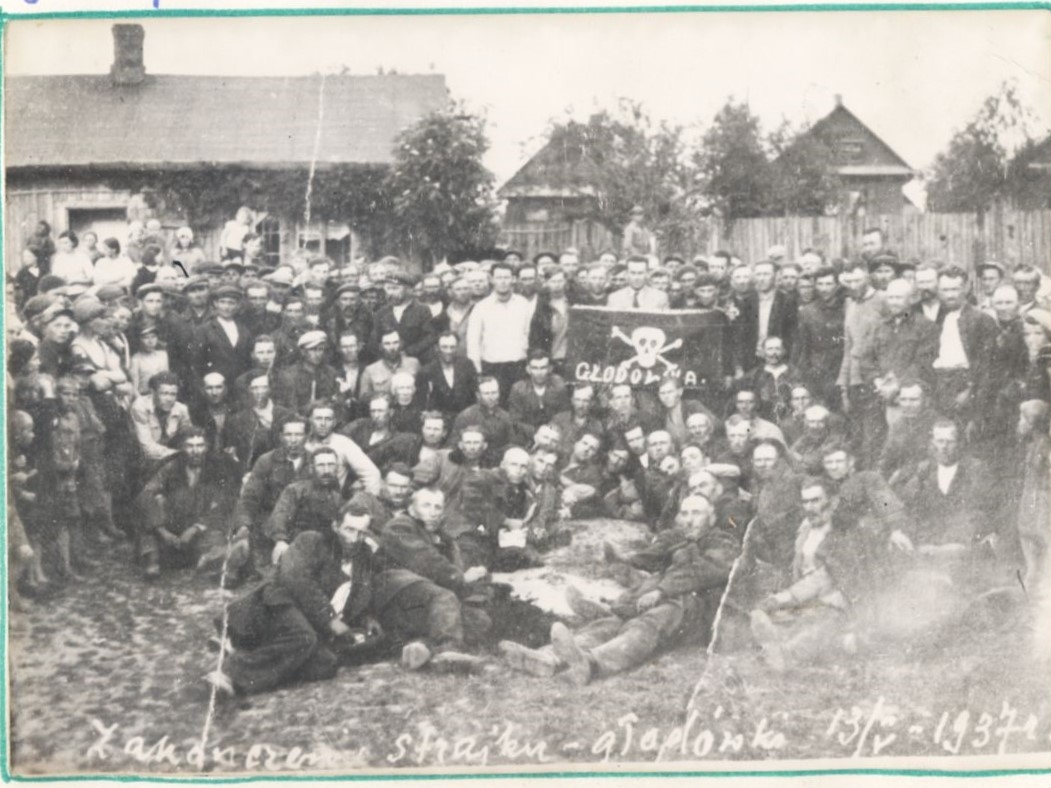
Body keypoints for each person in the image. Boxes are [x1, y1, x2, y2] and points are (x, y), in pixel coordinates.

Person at [500, 495, 737, 685]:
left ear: (712, 517)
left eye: (697, 513)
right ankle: (548, 657)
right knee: (614, 623)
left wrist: (662, 590)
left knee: (651, 619)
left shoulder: (723, 541)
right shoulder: (682, 541)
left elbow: (706, 570)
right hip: (671, 605)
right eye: (684, 513)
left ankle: (592, 665)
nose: (689, 519)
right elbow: (651, 563)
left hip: (698, 616)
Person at [208, 500, 382, 697]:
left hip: (311, 622)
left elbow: (360, 594)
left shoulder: (364, 559)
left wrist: (367, 618)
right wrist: (330, 619)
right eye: (349, 530)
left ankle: (250, 648)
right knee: (304, 637)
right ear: (335, 526)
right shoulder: (312, 541)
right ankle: (229, 674)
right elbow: (296, 579)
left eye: (361, 533)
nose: (354, 538)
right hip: (281, 603)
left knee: (326, 664)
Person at [371, 487, 489, 672]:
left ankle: (422, 648)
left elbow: (454, 567)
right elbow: (426, 560)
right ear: (411, 508)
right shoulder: (399, 526)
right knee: (445, 598)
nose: (433, 512)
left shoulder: (443, 537)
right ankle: (449, 652)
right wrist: (460, 577)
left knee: (478, 620)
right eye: (426, 506)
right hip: (396, 591)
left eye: (437, 507)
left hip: (423, 600)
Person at [749, 477, 859, 671]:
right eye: (805, 501)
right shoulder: (805, 529)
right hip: (809, 600)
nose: (809, 507)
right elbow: (796, 567)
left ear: (832, 501)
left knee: (826, 619)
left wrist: (788, 596)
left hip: (839, 601)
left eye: (815, 500)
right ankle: (781, 640)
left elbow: (826, 577)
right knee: (766, 613)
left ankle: (788, 654)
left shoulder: (843, 532)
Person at [140, 427, 238, 579]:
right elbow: (146, 494)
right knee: (153, 505)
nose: (195, 451)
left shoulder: (217, 468)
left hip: (201, 526)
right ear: (181, 448)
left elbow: (223, 501)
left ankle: (205, 559)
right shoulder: (170, 467)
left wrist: (195, 528)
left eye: (200, 446)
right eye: (190, 446)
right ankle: (153, 561)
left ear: (206, 447)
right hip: (172, 526)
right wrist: (162, 531)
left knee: (220, 541)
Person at [466, 261, 533, 403]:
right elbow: (473, 342)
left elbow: (529, 334)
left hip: (518, 367)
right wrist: (478, 371)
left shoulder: (523, 304)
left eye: (507, 277)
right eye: (499, 277)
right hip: (492, 368)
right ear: (491, 279)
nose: (503, 282)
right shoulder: (481, 307)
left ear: (514, 279)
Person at [790, 266, 844, 410]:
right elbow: (802, 346)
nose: (824, 288)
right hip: (818, 371)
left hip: (841, 370)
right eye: (820, 284)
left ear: (837, 286)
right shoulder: (808, 312)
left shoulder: (847, 308)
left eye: (828, 284)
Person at [369, 269, 435, 363]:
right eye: (388, 288)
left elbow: (430, 337)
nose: (391, 292)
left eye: (395, 288)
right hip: (389, 363)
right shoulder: (381, 313)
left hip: (417, 361)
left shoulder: (422, 310)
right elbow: (374, 341)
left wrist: (408, 352)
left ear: (408, 289)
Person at [129, 371, 192, 466]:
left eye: (173, 394)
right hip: (140, 458)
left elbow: (188, 437)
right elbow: (147, 448)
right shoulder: (140, 406)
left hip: (169, 457)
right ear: (153, 392)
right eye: (164, 393)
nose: (169, 399)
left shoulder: (181, 409)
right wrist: (179, 455)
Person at [273, 330, 340, 415]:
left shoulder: (331, 373)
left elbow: (338, 402)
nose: (318, 354)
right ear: (303, 352)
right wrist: (311, 406)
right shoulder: (290, 375)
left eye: (321, 349)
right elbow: (289, 410)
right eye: (313, 350)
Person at [508, 349, 570, 434]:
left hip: (554, 434)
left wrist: (550, 431)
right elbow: (515, 421)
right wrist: (536, 432)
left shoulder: (559, 386)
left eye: (543, 368)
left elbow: (565, 415)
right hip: (527, 437)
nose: (539, 372)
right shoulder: (518, 389)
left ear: (550, 368)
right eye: (535, 368)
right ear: (528, 369)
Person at [418, 331, 478, 419]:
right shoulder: (427, 371)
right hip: (439, 420)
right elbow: (422, 402)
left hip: (465, 418)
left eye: (452, 347)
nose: (448, 351)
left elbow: (474, 394)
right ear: (437, 348)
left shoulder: (467, 365)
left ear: (457, 347)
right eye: (444, 347)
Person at [360, 329, 421, 400]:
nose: (392, 347)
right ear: (381, 346)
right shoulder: (370, 370)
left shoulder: (414, 364)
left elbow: (422, 391)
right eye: (387, 344)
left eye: (395, 343)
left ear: (401, 344)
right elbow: (363, 397)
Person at [129, 325, 169, 396]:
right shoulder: (136, 359)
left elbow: (167, 380)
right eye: (146, 338)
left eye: (153, 337)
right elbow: (134, 388)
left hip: (162, 396)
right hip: (144, 396)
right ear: (139, 340)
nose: (150, 341)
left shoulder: (163, 355)